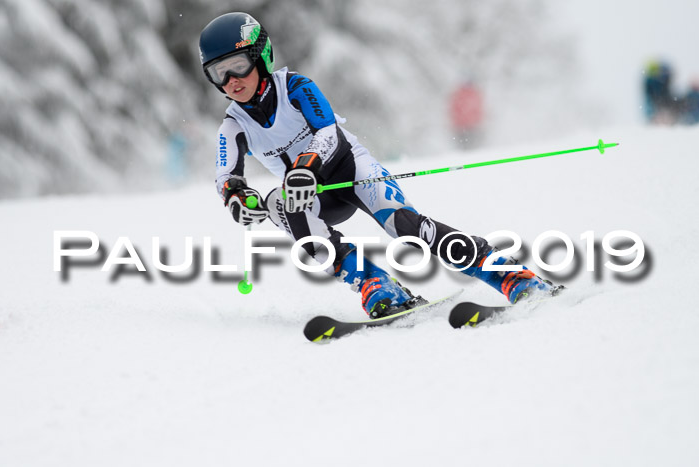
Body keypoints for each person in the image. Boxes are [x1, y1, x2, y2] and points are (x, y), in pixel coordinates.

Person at [199, 12, 560, 318]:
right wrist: (237, 198)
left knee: (407, 227)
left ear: (261, 57)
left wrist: (305, 168)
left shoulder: (295, 87)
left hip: (350, 170)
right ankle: (375, 283)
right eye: (219, 74)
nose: (232, 82)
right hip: (312, 197)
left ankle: (513, 276)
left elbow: (328, 134)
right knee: (281, 204)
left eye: (239, 67)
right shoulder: (233, 126)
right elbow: (225, 176)